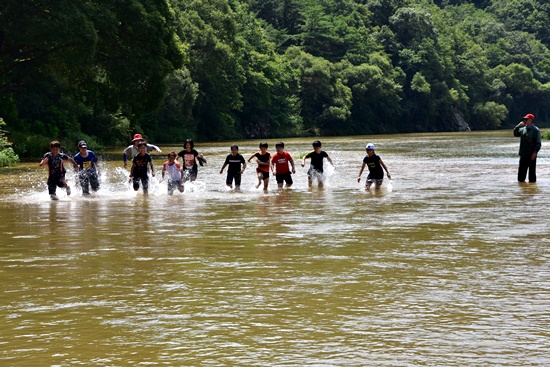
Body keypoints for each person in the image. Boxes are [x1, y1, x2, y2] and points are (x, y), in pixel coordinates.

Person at [513, 113, 541, 183]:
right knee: (521, 177)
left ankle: (531, 191)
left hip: (531, 155)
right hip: (523, 155)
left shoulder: (536, 130)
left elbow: (538, 143)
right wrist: (518, 126)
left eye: (526, 119)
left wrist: (535, 153)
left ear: (531, 120)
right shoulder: (522, 129)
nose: (524, 120)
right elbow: (515, 134)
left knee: (532, 176)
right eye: (524, 119)